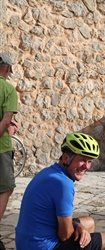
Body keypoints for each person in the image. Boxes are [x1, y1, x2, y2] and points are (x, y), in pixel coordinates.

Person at [15, 132, 105, 250]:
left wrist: (78, 225)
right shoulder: (63, 183)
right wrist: (78, 228)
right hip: (44, 247)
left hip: (26, 243)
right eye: (82, 160)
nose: (87, 167)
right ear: (66, 158)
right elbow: (65, 235)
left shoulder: (49, 172)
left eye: (90, 162)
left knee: (89, 222)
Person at [0, 52, 17, 250]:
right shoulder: (8, 89)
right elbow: (5, 121)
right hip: (1, 148)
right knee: (5, 188)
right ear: (7, 68)